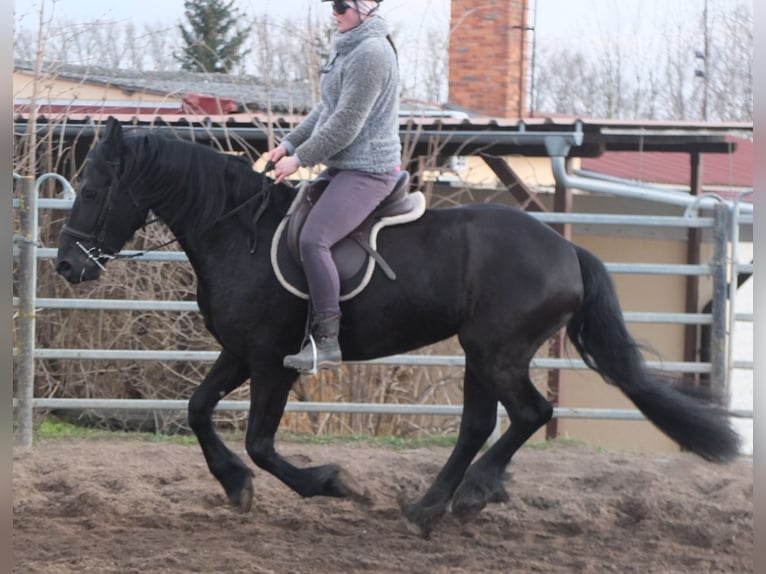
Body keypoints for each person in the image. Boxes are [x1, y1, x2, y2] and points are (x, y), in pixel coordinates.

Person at [267, 0, 401, 373]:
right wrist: (289, 143)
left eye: (341, 5)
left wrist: (300, 160)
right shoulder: (346, 47)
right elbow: (327, 109)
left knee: (314, 239)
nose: (334, 12)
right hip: (342, 166)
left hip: (369, 169)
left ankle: (326, 341)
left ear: (367, 9)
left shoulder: (372, 52)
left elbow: (347, 122)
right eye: (333, 4)